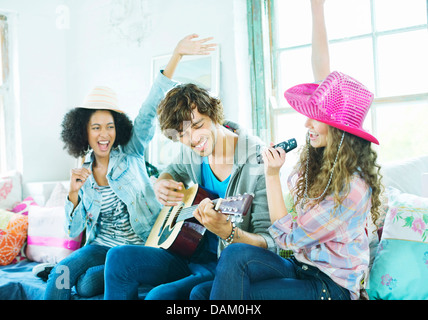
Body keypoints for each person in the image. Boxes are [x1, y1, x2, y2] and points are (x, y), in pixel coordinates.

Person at [208, 0, 383, 300]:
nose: (306, 124)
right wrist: (317, 11)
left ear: (339, 129)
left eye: (317, 118)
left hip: (332, 287)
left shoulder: (353, 189)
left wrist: (272, 176)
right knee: (229, 263)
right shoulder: (320, 164)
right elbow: (321, 67)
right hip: (302, 268)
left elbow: (288, 237)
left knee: (239, 293)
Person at [43, 34, 214, 300]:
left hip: (139, 245)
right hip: (101, 246)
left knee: (87, 285)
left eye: (109, 126)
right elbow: (72, 231)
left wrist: (176, 56)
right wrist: (73, 194)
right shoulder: (83, 173)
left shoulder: (131, 152)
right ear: (83, 131)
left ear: (118, 128)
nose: (104, 134)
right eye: (96, 127)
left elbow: (148, 108)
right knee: (61, 274)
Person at [103, 43, 277, 301]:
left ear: (214, 114)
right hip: (185, 249)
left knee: (159, 297)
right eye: (182, 134)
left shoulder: (258, 162)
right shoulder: (192, 150)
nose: (193, 139)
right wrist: (163, 182)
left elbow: (268, 241)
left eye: (197, 125)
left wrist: (227, 231)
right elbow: (171, 171)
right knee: (117, 257)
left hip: (222, 262)